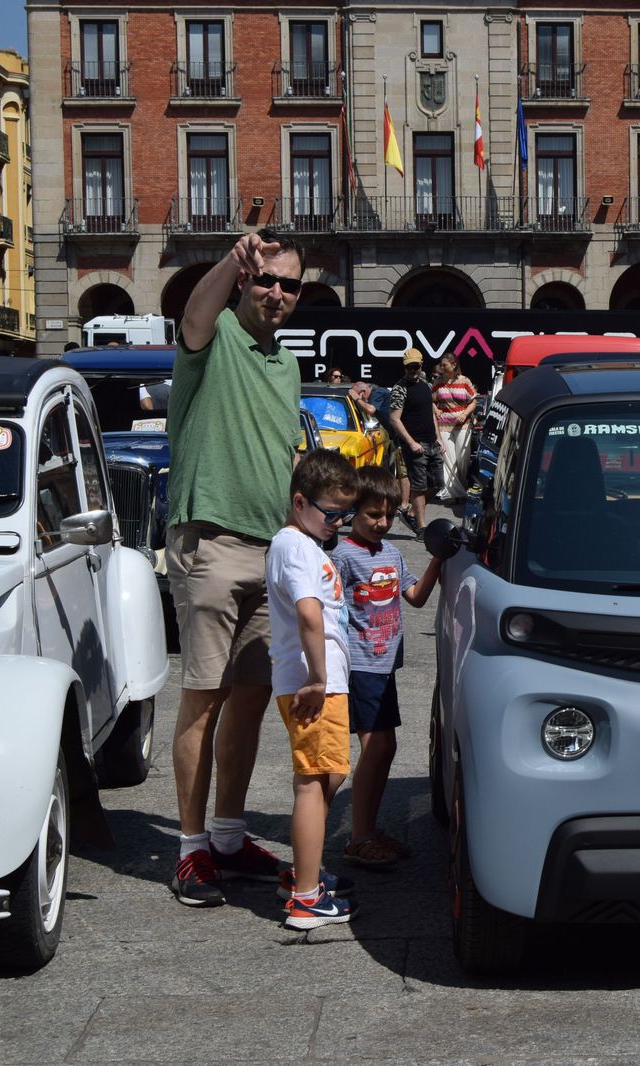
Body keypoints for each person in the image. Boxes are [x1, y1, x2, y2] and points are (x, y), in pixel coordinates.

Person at [165, 228, 306, 907]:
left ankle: (226, 834)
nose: (275, 292)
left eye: (289, 284)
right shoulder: (214, 338)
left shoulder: (286, 363)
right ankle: (190, 850)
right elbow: (193, 316)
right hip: (212, 544)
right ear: (247, 283)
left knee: (249, 699)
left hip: (270, 550)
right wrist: (231, 261)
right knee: (202, 699)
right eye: (265, 279)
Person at [267, 448, 360, 929]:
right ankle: (306, 897)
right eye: (331, 513)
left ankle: (304, 873)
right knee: (313, 781)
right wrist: (319, 679)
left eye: (346, 514)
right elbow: (309, 612)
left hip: (319, 682)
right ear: (300, 502)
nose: (339, 523)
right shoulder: (298, 548)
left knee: (327, 775)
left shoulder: (301, 545)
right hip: (314, 685)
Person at [332, 466, 441, 867]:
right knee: (376, 747)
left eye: (388, 515)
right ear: (351, 514)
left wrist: (438, 563)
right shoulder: (343, 556)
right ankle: (358, 837)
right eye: (372, 515)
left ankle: (368, 829)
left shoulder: (391, 554)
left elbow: (415, 596)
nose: (381, 523)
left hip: (384, 665)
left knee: (385, 748)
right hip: (360, 665)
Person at [386, 349, 441, 535]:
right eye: (409, 367)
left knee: (437, 484)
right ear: (404, 367)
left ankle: (411, 512)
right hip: (416, 444)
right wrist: (410, 443)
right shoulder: (399, 389)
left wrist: (439, 438)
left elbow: (431, 413)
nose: (412, 370)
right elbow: (394, 419)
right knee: (419, 486)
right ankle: (422, 527)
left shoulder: (425, 385)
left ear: (421, 364)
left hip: (432, 442)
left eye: (415, 366)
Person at [432, 355, 478, 503]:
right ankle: (453, 494)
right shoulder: (438, 383)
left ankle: (461, 487)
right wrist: (436, 409)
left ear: (453, 365)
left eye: (444, 365)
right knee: (448, 460)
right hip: (444, 425)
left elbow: (473, 402)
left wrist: (465, 414)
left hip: (462, 425)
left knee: (462, 459)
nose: (442, 367)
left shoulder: (465, 381)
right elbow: (431, 400)